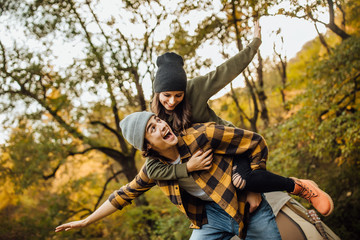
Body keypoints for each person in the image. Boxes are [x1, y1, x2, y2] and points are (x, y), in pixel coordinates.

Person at [55, 112, 333, 239]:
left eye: (158, 120)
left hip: (243, 206)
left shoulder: (203, 135)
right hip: (208, 218)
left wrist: (252, 184)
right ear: (148, 147)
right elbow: (122, 195)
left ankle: (299, 187)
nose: (161, 125)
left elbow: (256, 142)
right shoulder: (153, 170)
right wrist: (87, 220)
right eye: (152, 129)